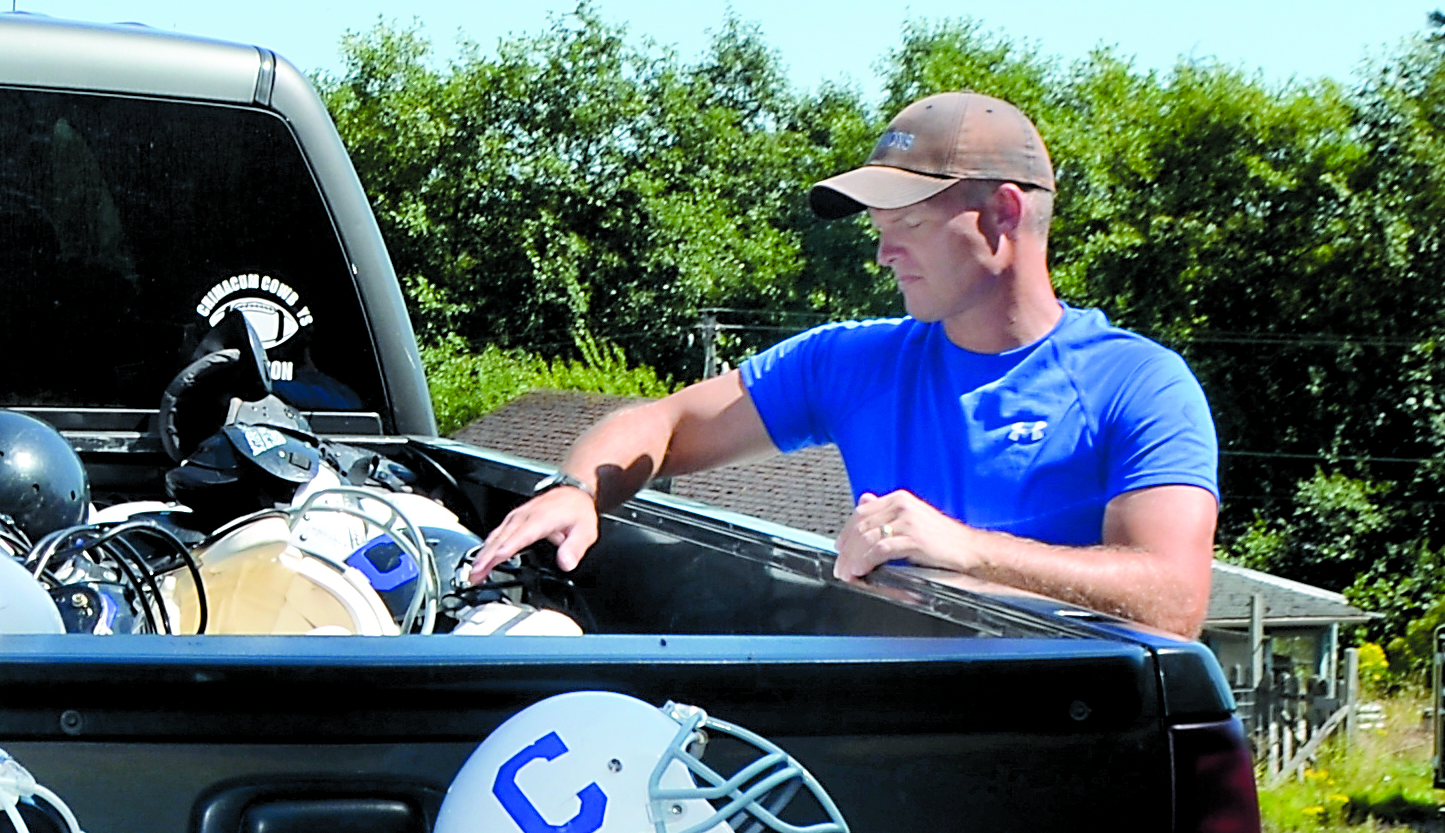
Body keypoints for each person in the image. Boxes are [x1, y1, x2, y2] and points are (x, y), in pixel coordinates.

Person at [462, 91, 1219, 637]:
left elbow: (1173, 601)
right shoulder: (853, 361)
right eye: (878, 229)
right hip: (896, 748)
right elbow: (660, 424)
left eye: (909, 226)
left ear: (1004, 217)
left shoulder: (1139, 384)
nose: (884, 253)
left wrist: (963, 551)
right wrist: (578, 491)